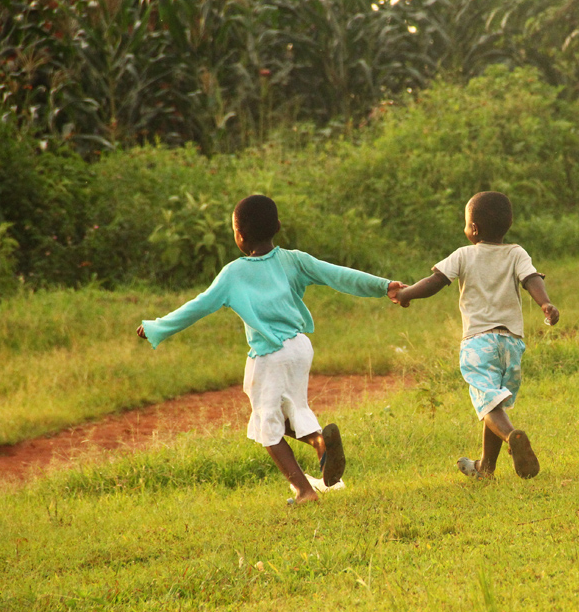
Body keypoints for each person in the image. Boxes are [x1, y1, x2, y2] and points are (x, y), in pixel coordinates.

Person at [138, 194, 403, 505]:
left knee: (266, 426)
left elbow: (197, 307)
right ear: (277, 226)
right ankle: (320, 443)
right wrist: (384, 285)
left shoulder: (233, 274)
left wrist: (157, 327)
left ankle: (304, 491)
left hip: (270, 356)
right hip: (300, 348)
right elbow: (339, 275)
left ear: (240, 235)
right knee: (289, 412)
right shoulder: (294, 259)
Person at [392, 190, 559, 479]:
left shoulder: (463, 255)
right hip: (512, 343)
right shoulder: (517, 252)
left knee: (487, 403)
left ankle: (512, 437)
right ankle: (486, 468)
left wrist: (405, 294)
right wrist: (545, 303)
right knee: (493, 403)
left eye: (466, 224)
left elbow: (435, 282)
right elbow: (531, 279)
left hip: (478, 342)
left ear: (475, 229)